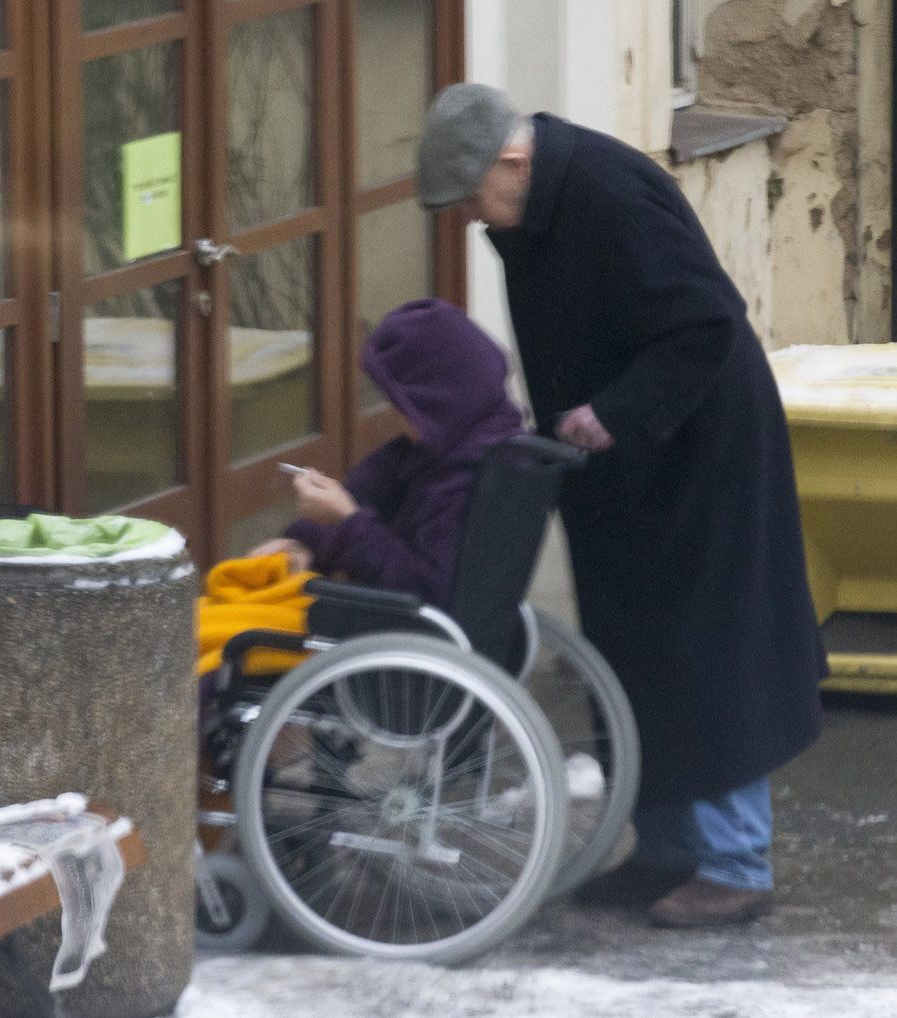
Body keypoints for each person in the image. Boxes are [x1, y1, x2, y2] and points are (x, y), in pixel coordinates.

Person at [416, 84, 826, 928]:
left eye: (471, 196)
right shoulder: (542, 198)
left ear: (512, 161)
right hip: (623, 463)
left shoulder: (610, 191)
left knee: (708, 654)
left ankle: (736, 864)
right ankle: (668, 850)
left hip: (699, 455)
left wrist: (614, 413)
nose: (468, 216)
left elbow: (707, 321)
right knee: (636, 654)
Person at [197, 296, 524, 679]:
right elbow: (364, 490)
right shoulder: (442, 442)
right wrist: (302, 541)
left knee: (213, 647)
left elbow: (426, 593)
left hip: (398, 638)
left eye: (402, 402)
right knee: (211, 614)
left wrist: (347, 520)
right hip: (373, 614)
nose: (395, 412)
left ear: (438, 397)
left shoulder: (466, 477)